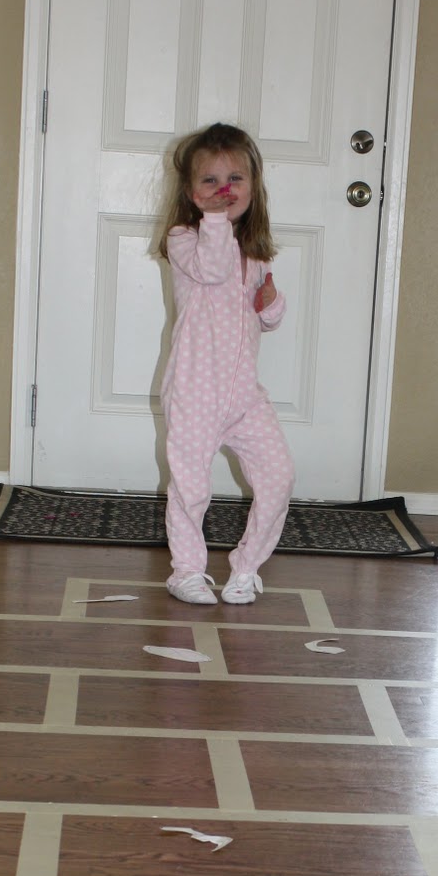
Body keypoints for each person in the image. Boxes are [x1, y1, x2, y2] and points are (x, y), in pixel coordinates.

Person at [156, 122, 295, 605]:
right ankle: (188, 571)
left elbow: (269, 318)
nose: (223, 191)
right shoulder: (185, 240)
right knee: (191, 488)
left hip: (243, 397)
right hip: (194, 393)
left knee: (277, 477)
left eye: (235, 180)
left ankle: (246, 567)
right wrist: (215, 222)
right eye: (210, 182)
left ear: (254, 187)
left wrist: (271, 302)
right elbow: (212, 270)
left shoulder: (254, 254)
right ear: (191, 193)